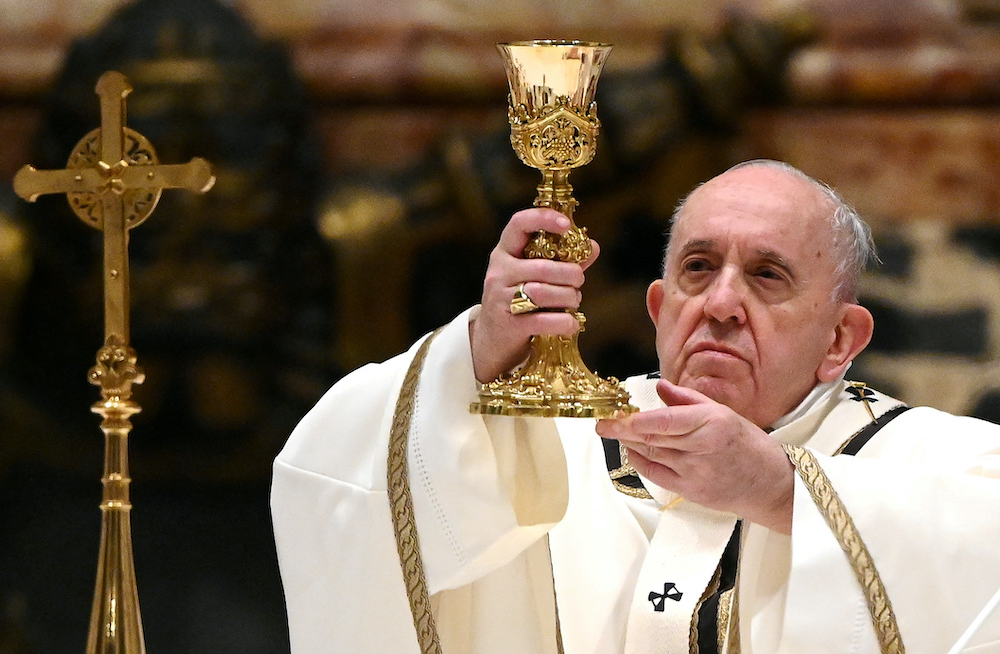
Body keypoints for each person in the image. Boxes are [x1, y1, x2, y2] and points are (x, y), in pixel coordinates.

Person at [271, 159, 1000, 653]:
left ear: (842, 337)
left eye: (767, 275)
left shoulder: (937, 463)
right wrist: (480, 343)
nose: (720, 304)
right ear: (659, 307)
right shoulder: (548, 449)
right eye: (698, 268)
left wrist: (782, 490)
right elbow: (336, 477)